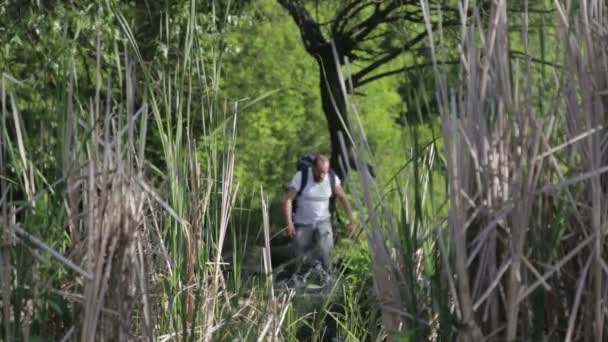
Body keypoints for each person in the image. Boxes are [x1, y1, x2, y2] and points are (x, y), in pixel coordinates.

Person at [283, 154, 356, 283]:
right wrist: (289, 223)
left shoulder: (332, 178)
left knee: (326, 249)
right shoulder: (302, 177)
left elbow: (343, 198)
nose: (323, 176)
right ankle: (296, 280)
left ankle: (328, 279)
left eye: (325, 172)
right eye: (320, 172)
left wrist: (351, 220)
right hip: (303, 222)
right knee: (299, 252)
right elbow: (289, 200)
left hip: (324, 221)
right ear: (313, 168)